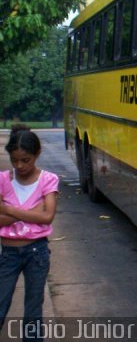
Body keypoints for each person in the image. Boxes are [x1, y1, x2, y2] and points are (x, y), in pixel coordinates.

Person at [0, 125, 59, 341]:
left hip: (37, 252)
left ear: (37, 154)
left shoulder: (48, 180)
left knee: (33, 310)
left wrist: (8, 210)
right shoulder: (2, 180)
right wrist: (29, 212)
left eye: (26, 160)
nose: (19, 165)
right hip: (8, 253)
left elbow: (47, 216)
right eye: (14, 160)